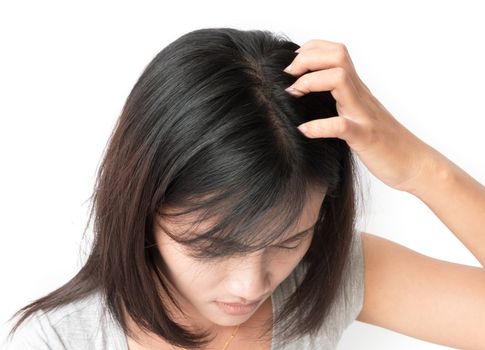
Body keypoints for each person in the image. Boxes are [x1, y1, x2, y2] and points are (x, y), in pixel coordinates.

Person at [3, 28, 485, 350]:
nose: (251, 285)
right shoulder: (59, 340)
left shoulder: (331, 274)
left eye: (290, 239)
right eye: (214, 246)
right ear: (143, 204)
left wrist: (423, 170)